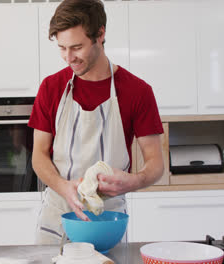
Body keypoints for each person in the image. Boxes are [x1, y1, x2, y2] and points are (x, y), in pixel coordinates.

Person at [29, 0, 164, 244]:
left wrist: (132, 182)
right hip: (57, 216)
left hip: (107, 220)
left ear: (100, 34)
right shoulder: (51, 88)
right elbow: (38, 156)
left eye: (77, 47)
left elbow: (155, 164)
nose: (68, 57)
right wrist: (63, 186)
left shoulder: (137, 91)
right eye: (62, 48)